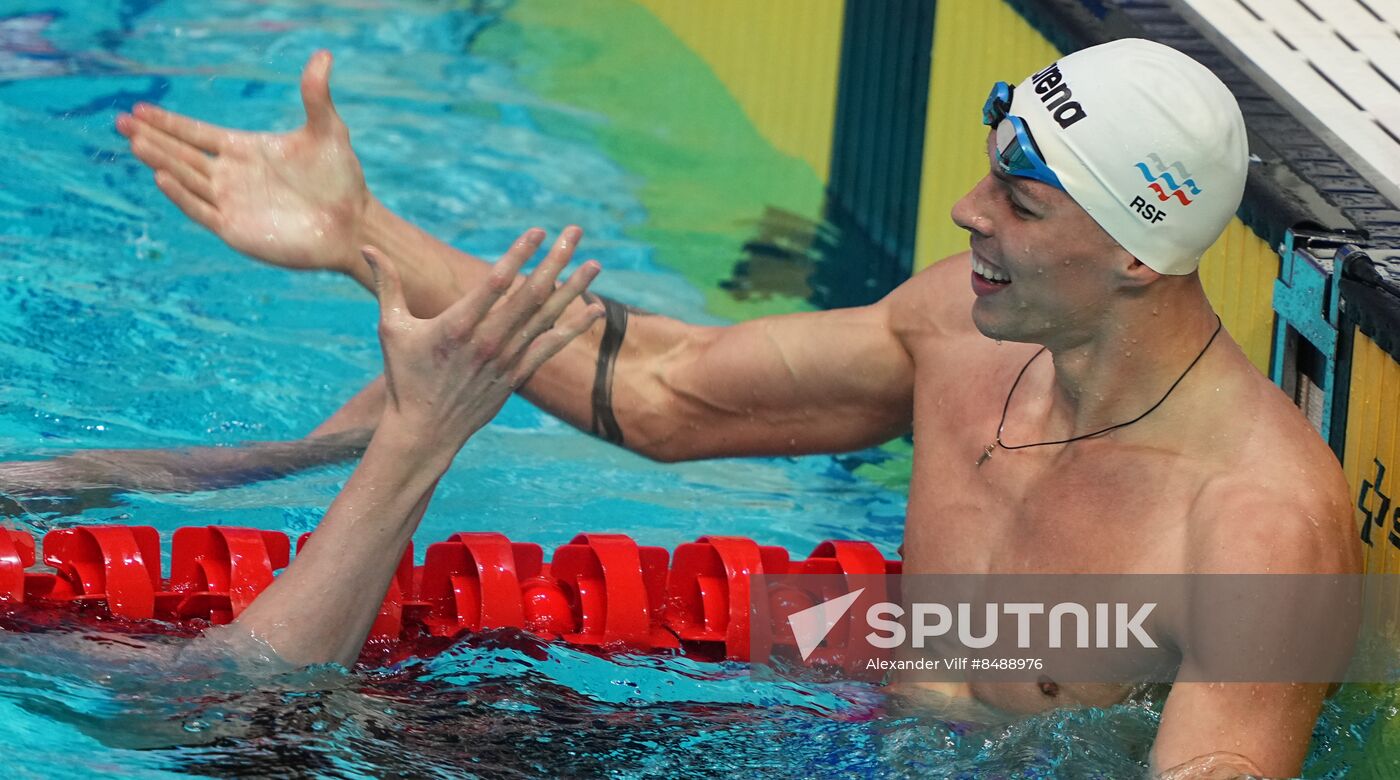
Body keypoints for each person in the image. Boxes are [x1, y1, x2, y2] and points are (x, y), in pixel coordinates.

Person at [116, 40, 1361, 778]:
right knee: (273, 739)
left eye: (1022, 205)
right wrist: (361, 237)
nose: (968, 212)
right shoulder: (957, 331)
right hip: (826, 737)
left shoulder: (1259, 531)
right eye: (992, 175)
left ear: (1140, 255)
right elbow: (664, 391)